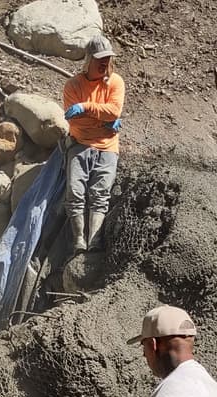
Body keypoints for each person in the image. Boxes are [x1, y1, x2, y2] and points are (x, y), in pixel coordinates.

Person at [62, 34, 125, 252]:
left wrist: (87, 108)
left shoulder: (116, 82)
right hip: (80, 143)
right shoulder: (72, 86)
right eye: (100, 59)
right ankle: (79, 239)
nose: (104, 63)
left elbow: (114, 111)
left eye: (107, 59)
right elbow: (75, 120)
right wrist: (104, 119)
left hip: (108, 146)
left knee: (100, 193)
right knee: (75, 190)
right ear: (88, 60)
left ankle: (94, 240)